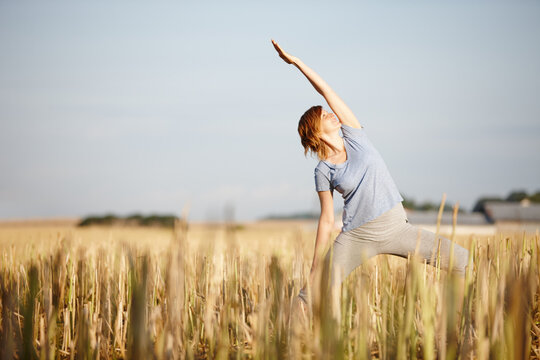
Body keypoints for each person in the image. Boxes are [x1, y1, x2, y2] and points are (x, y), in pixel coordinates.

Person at [270, 39, 469, 311]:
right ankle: (290, 343)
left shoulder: (355, 136)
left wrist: (297, 63)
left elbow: (327, 90)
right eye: (323, 114)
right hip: (357, 236)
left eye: (327, 110)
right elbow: (327, 219)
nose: (330, 113)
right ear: (314, 131)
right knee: (311, 294)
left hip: (397, 227)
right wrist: (317, 264)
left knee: (462, 261)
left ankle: (466, 325)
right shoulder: (323, 170)